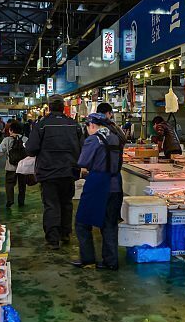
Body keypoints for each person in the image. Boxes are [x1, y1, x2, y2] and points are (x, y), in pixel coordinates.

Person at [26, 95, 83, 249]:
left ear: (49, 107)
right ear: (63, 107)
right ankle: (65, 234)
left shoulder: (42, 125)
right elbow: (82, 148)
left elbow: (31, 149)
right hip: (69, 172)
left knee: (51, 205)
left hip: (48, 172)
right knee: (66, 203)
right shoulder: (74, 125)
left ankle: (53, 240)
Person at [71, 113, 123, 270]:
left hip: (98, 184)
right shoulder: (116, 136)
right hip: (116, 184)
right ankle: (111, 261)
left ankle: (87, 258)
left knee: (82, 223)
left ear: (92, 125)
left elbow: (83, 161)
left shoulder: (94, 139)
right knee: (109, 224)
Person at [0, 121, 28, 208]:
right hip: (23, 167)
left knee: (9, 184)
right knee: (22, 185)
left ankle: (10, 200)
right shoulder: (25, 139)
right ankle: (21, 201)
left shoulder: (7, 140)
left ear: (11, 130)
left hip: (11, 167)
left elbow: (0, 151)